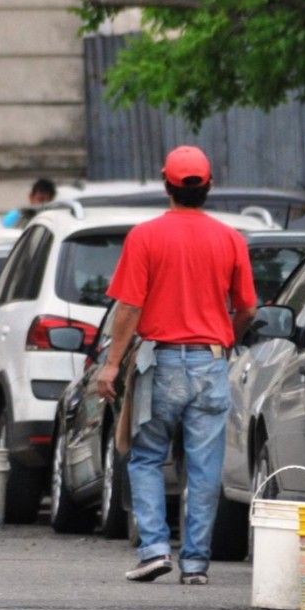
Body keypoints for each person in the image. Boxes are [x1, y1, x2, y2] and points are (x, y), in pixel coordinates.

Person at [97, 146, 256, 585]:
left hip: (159, 363)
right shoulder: (230, 239)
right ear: (208, 187)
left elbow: (129, 307)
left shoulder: (145, 237)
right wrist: (225, 338)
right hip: (210, 363)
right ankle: (195, 565)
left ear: (166, 185)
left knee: (147, 457)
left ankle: (153, 549)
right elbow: (247, 309)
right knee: (205, 468)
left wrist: (110, 366)